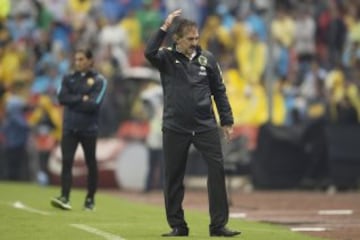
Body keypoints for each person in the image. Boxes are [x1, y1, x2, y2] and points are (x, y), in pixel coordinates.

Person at [144, 9, 241, 237]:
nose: (195, 43)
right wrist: (164, 27)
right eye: (190, 39)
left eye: (197, 38)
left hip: (205, 125)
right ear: (177, 39)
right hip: (175, 126)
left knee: (217, 170)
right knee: (174, 176)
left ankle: (218, 226)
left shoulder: (208, 59)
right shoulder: (166, 58)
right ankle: (178, 226)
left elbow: (219, 91)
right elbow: (149, 52)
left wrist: (226, 121)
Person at [51, 48, 107, 211]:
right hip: (69, 127)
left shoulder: (99, 80)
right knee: (66, 162)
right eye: (76, 59)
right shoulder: (68, 77)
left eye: (81, 59)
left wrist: (74, 100)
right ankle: (65, 197)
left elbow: (94, 104)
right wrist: (82, 98)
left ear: (90, 61)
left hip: (89, 129)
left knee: (91, 164)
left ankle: (90, 199)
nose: (78, 62)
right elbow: (61, 98)